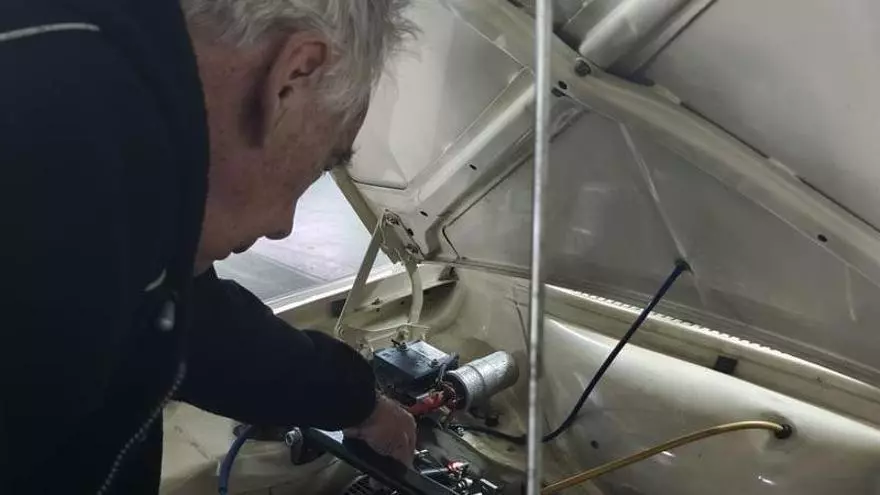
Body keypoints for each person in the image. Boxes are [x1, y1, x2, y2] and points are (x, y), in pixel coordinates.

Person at [0, 0, 417, 493]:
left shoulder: (95, 121)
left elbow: (195, 322)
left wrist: (357, 402)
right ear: (295, 75)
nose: (283, 226)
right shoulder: (59, 181)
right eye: (323, 163)